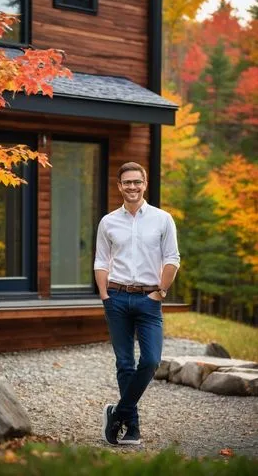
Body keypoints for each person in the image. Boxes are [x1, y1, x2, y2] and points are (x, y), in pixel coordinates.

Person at [94, 161, 180, 446]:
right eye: (126, 182)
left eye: (137, 182)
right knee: (124, 363)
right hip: (116, 298)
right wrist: (105, 295)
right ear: (120, 186)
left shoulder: (162, 219)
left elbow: (172, 259)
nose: (132, 187)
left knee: (152, 360)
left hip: (149, 299)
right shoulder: (108, 222)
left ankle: (117, 412)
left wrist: (160, 292)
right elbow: (101, 260)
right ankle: (131, 427)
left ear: (145, 184)